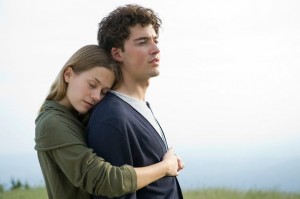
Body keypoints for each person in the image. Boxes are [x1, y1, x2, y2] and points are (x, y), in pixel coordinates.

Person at [34, 45, 181, 199]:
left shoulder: (77, 116)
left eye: (104, 91)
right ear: (68, 74)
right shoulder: (51, 123)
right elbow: (103, 179)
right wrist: (165, 167)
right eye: (92, 85)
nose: (96, 96)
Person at [87, 4, 184, 199]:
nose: (156, 49)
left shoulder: (136, 107)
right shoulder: (112, 118)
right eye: (142, 42)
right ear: (117, 53)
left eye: (155, 40)